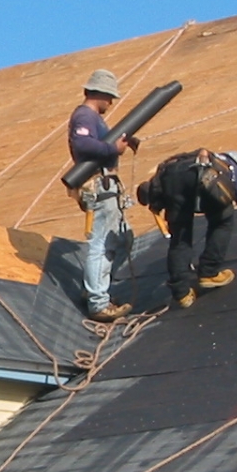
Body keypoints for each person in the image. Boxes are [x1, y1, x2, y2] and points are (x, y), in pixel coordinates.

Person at [140, 149, 237, 309]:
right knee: (223, 219)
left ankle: (181, 293)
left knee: (180, 236)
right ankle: (209, 272)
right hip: (196, 181)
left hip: (171, 179)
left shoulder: (205, 158)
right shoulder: (233, 170)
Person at [68, 69, 140, 322]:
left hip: (107, 186)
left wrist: (120, 143)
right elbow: (83, 145)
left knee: (123, 239)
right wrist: (113, 148)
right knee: (102, 243)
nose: (110, 103)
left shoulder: (91, 118)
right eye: (109, 97)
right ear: (100, 93)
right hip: (99, 186)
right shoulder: (84, 116)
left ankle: (94, 289)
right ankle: (98, 301)